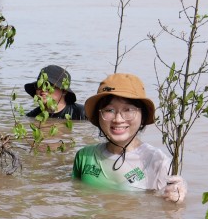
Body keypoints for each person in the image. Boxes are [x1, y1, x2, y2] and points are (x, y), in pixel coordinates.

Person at [73, 73, 186, 202]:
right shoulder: (84, 156)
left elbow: (169, 216)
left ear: (142, 116)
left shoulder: (158, 161)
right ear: (98, 116)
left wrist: (177, 199)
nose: (118, 119)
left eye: (128, 110)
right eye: (109, 110)